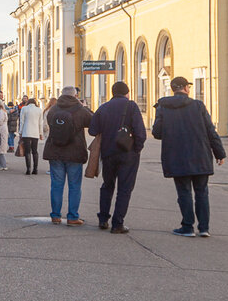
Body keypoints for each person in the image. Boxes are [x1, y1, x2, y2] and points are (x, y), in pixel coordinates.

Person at [151, 76, 226, 237]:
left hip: (176, 156)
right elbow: (211, 131)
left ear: (173, 89)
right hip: (200, 155)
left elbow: (157, 133)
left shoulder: (163, 107)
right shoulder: (198, 106)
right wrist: (220, 153)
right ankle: (204, 228)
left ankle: (187, 227)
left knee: (184, 192)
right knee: (202, 193)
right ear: (185, 88)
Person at [87, 81, 146, 234]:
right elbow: (141, 132)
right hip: (128, 153)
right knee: (125, 188)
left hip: (108, 153)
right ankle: (117, 223)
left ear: (112, 93)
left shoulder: (103, 108)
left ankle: (103, 219)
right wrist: (137, 149)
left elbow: (93, 130)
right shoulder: (131, 106)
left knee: (108, 185)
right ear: (127, 92)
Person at [42, 86, 93, 225]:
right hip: (74, 152)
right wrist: (84, 106)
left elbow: (50, 123)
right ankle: (72, 217)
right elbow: (93, 123)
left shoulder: (53, 109)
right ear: (75, 96)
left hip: (55, 151)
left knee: (56, 185)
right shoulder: (80, 110)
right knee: (74, 186)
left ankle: (55, 216)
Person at [18, 97, 43, 175]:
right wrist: (41, 133)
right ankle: (35, 169)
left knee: (27, 151)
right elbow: (40, 123)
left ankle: (28, 169)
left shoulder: (24, 109)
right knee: (35, 151)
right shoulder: (39, 110)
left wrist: (20, 132)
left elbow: (21, 121)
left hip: (26, 131)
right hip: (35, 132)